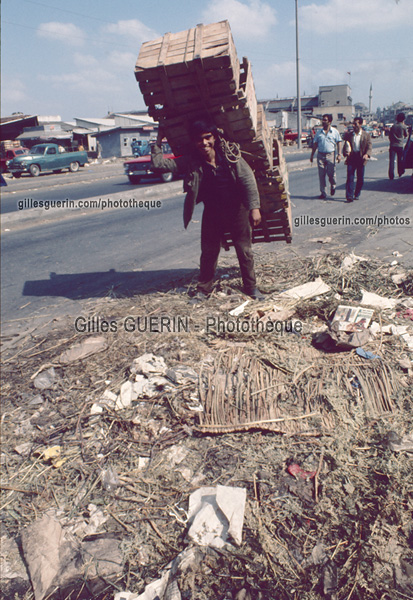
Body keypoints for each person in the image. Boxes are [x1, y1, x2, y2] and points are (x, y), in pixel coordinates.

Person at [151, 119, 263, 299]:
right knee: (209, 252)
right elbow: (158, 165)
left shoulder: (230, 156)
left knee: (244, 251)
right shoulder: (192, 162)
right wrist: (158, 141)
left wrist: (254, 207)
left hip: (237, 210)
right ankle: (204, 290)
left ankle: (251, 287)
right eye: (199, 139)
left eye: (207, 138)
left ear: (215, 138)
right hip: (213, 212)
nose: (204, 143)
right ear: (194, 142)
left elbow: (247, 179)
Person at [310, 114, 342, 199]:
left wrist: (339, 154)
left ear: (330, 121)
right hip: (320, 155)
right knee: (321, 174)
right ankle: (323, 192)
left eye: (325, 120)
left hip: (330, 154)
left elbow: (339, 142)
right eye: (323, 120)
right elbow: (315, 144)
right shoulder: (319, 133)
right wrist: (312, 155)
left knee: (331, 173)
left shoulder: (335, 132)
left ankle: (333, 185)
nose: (323, 121)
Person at [342, 117, 372, 202]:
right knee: (350, 177)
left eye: (356, 124)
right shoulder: (350, 135)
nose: (354, 125)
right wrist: (346, 152)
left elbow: (369, 146)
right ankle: (349, 196)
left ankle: (357, 193)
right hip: (352, 157)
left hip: (361, 157)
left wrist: (367, 154)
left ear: (361, 124)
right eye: (353, 124)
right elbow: (346, 145)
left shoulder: (366, 135)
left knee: (360, 178)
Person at [388, 112, 408, 179]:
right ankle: (400, 172)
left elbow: (390, 136)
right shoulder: (403, 126)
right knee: (400, 160)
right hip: (400, 145)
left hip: (392, 145)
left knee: (391, 161)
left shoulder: (393, 126)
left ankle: (391, 175)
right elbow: (406, 135)